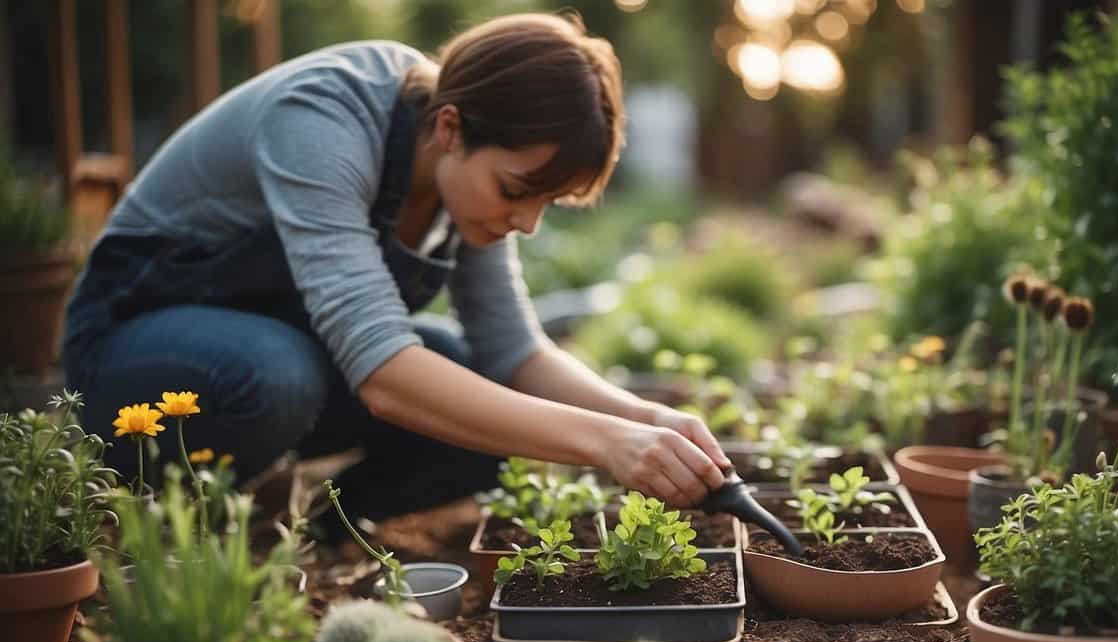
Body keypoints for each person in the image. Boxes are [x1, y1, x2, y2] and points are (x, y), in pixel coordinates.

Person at [64, 13, 730, 529]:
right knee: (277, 372)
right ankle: (173, 522)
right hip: (133, 352)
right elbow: (383, 373)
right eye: (516, 190)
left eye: (546, 203)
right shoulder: (325, 118)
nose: (526, 223)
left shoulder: (467, 176)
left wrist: (646, 417)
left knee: (484, 391)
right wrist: (605, 443)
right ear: (450, 127)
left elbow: (513, 348)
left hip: (279, 356)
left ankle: (308, 531)